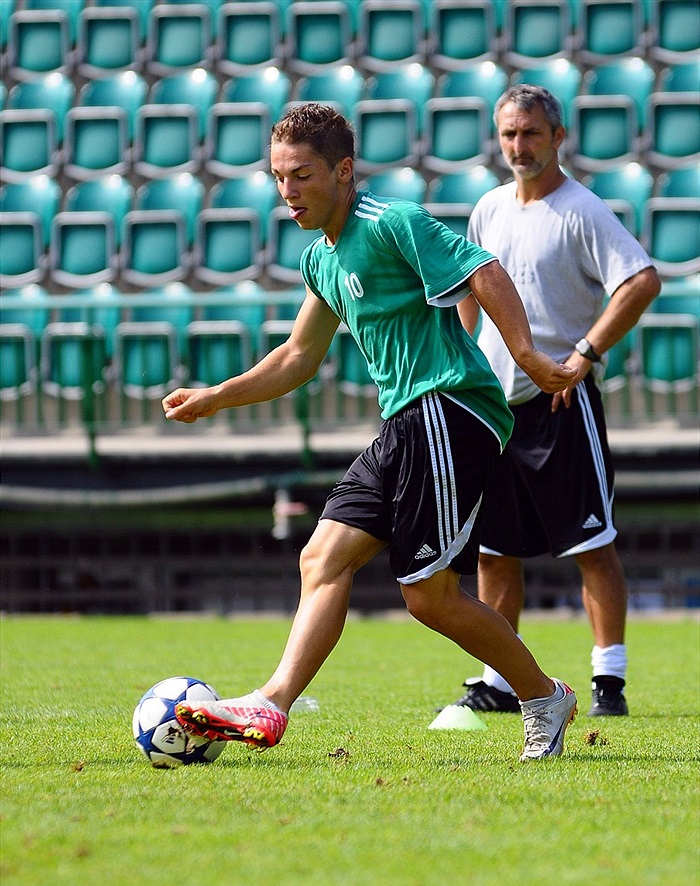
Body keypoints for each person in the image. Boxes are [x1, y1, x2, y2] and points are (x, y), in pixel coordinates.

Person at [162, 103, 578, 761]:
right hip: (405, 423)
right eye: (278, 177)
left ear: (344, 170)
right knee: (321, 558)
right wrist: (218, 397)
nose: (287, 192)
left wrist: (525, 355)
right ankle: (271, 703)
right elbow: (298, 356)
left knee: (430, 598)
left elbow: (484, 269)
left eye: (301, 175)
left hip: (449, 411)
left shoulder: (394, 222)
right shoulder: (320, 261)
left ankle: (543, 698)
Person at [454, 85, 661, 718]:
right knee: (494, 549)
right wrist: (461, 361)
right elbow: (469, 287)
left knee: (590, 544)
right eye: (510, 134)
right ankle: (497, 678)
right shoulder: (488, 208)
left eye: (532, 134)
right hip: (493, 409)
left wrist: (584, 354)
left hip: (559, 406)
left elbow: (641, 279)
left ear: (558, 137)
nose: (520, 146)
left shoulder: (582, 210)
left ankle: (609, 683)